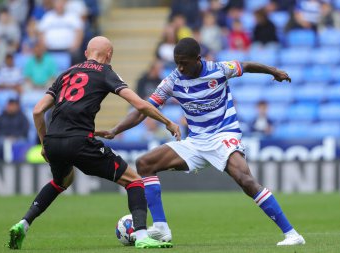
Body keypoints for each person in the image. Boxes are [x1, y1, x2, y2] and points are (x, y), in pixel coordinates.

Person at [96, 37, 306, 246]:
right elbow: (144, 109)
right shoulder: (173, 80)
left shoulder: (219, 69)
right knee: (145, 164)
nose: (179, 67)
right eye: (176, 62)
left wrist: (274, 71)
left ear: (197, 59)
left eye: (183, 62)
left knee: (245, 180)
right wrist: (116, 130)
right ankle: (161, 228)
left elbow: (248, 65)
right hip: (196, 142)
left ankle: (292, 234)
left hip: (224, 135)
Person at [7, 36, 180, 250]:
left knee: (61, 181)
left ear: (87, 53)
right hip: (80, 142)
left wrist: (44, 144)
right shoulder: (105, 72)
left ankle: (24, 223)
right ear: (109, 55)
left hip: (53, 140)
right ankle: (142, 235)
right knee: (135, 181)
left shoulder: (66, 73)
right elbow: (139, 104)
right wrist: (168, 122)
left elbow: (37, 111)